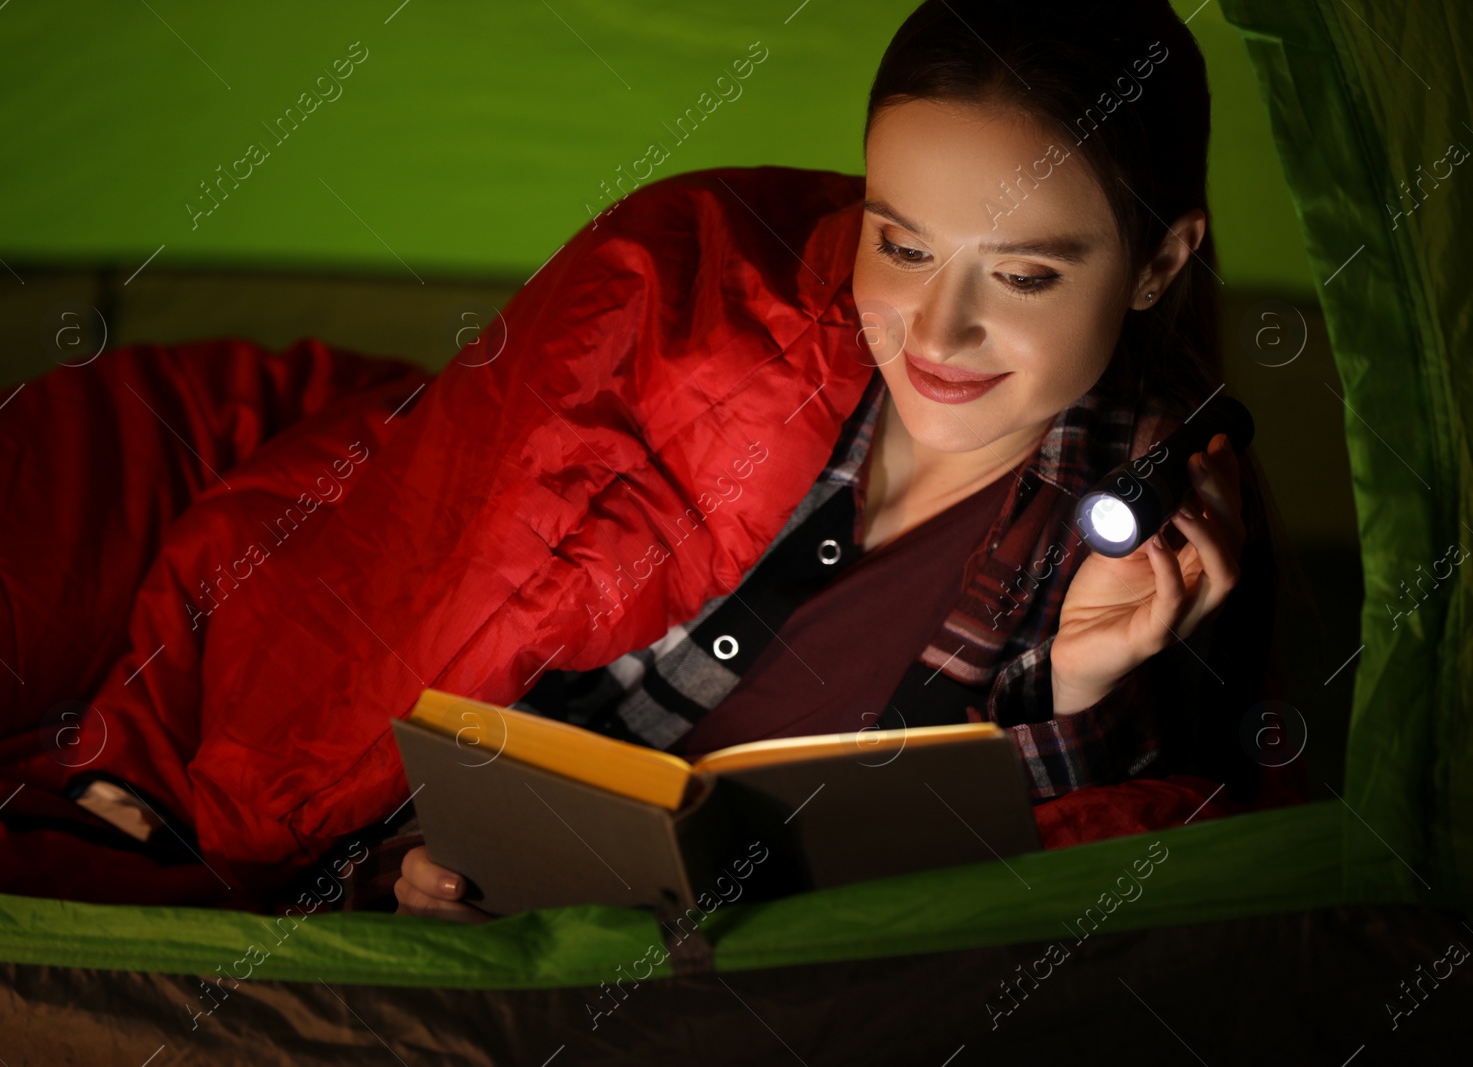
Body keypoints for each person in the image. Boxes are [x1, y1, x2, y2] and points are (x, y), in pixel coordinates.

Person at [394, 0, 1285, 921]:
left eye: (1021, 276)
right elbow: (460, 646)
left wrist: (1078, 687)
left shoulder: (1145, 528)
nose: (937, 332)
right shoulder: (743, 367)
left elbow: (1084, 883)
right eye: (901, 247)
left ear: (1160, 263)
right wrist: (423, 856)